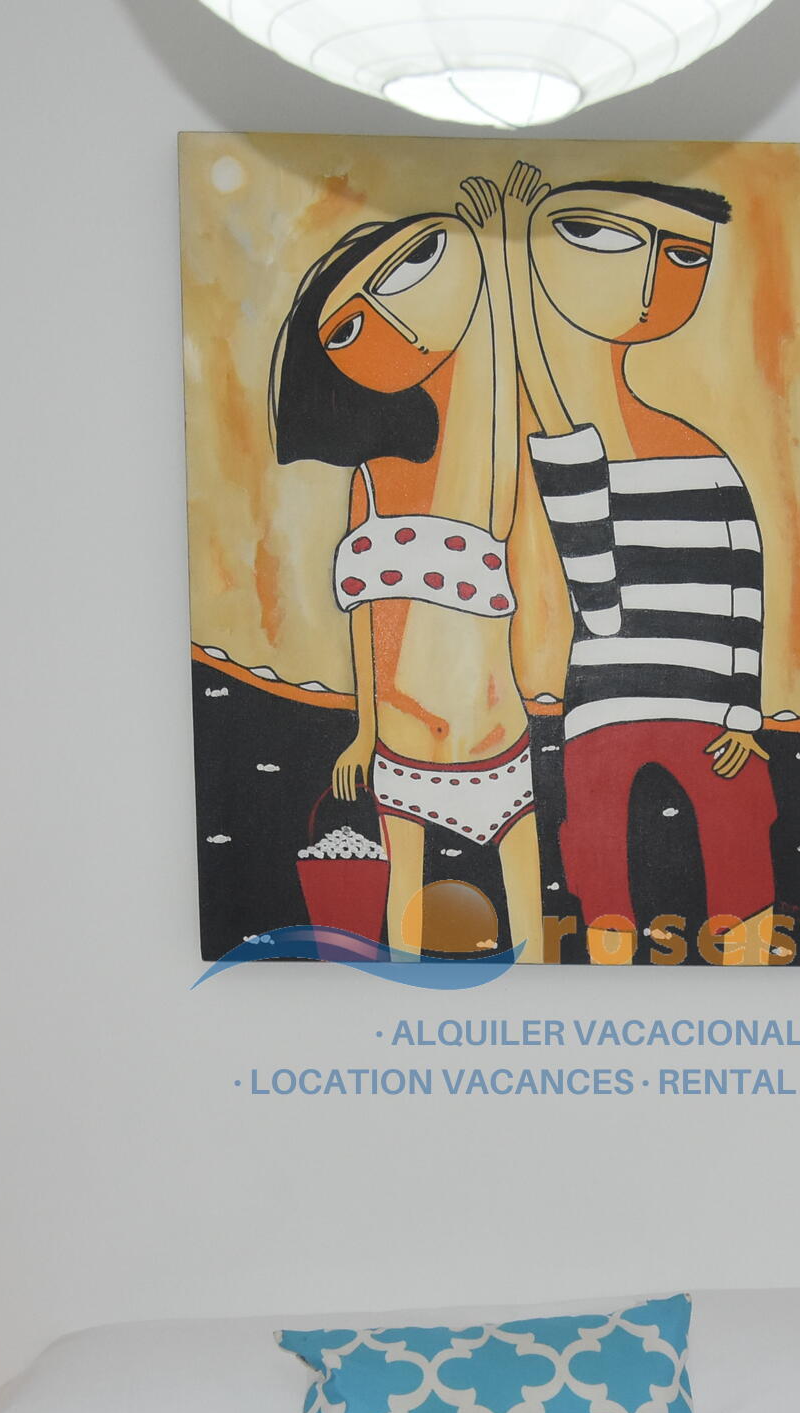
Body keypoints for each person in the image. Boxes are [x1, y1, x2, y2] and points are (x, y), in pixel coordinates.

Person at [504, 162, 781, 967]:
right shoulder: (577, 465)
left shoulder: (709, 464)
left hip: (704, 710)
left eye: (686, 255)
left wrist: (742, 712)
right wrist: (515, 266)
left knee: (738, 840)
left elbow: (745, 591)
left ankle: (747, 963)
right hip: (606, 704)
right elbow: (599, 605)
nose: (655, 284)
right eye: (601, 239)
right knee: (596, 855)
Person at [271, 176, 547, 961]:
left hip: (494, 732)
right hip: (397, 739)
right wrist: (362, 730)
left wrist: (498, 254)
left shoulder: (481, 467)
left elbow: (491, 376)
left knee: (530, 924)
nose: (388, 331)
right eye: (348, 330)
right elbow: (366, 622)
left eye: (412, 270)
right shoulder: (367, 481)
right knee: (404, 923)